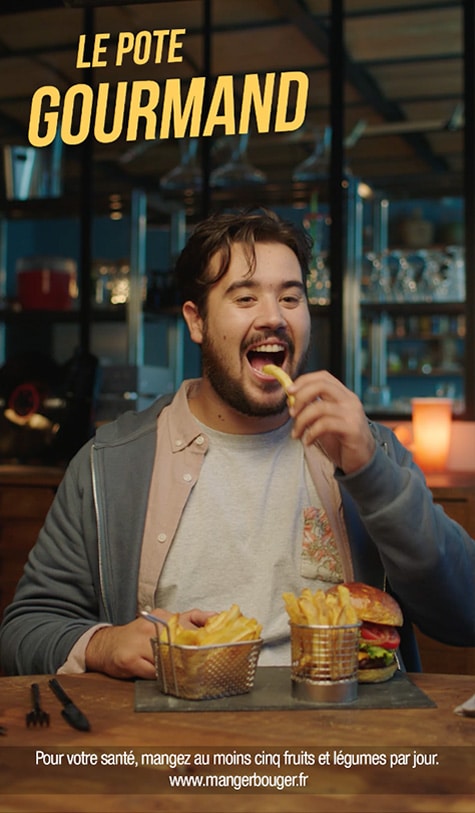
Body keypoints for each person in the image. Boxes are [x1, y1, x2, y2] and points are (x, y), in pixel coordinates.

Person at [1, 208, 474, 679]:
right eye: (245, 297)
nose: (274, 318)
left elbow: (465, 613)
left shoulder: (370, 450)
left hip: (340, 721)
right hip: (170, 724)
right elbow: (24, 630)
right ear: (197, 322)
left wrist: (372, 474)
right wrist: (104, 644)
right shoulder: (112, 462)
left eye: (290, 297)